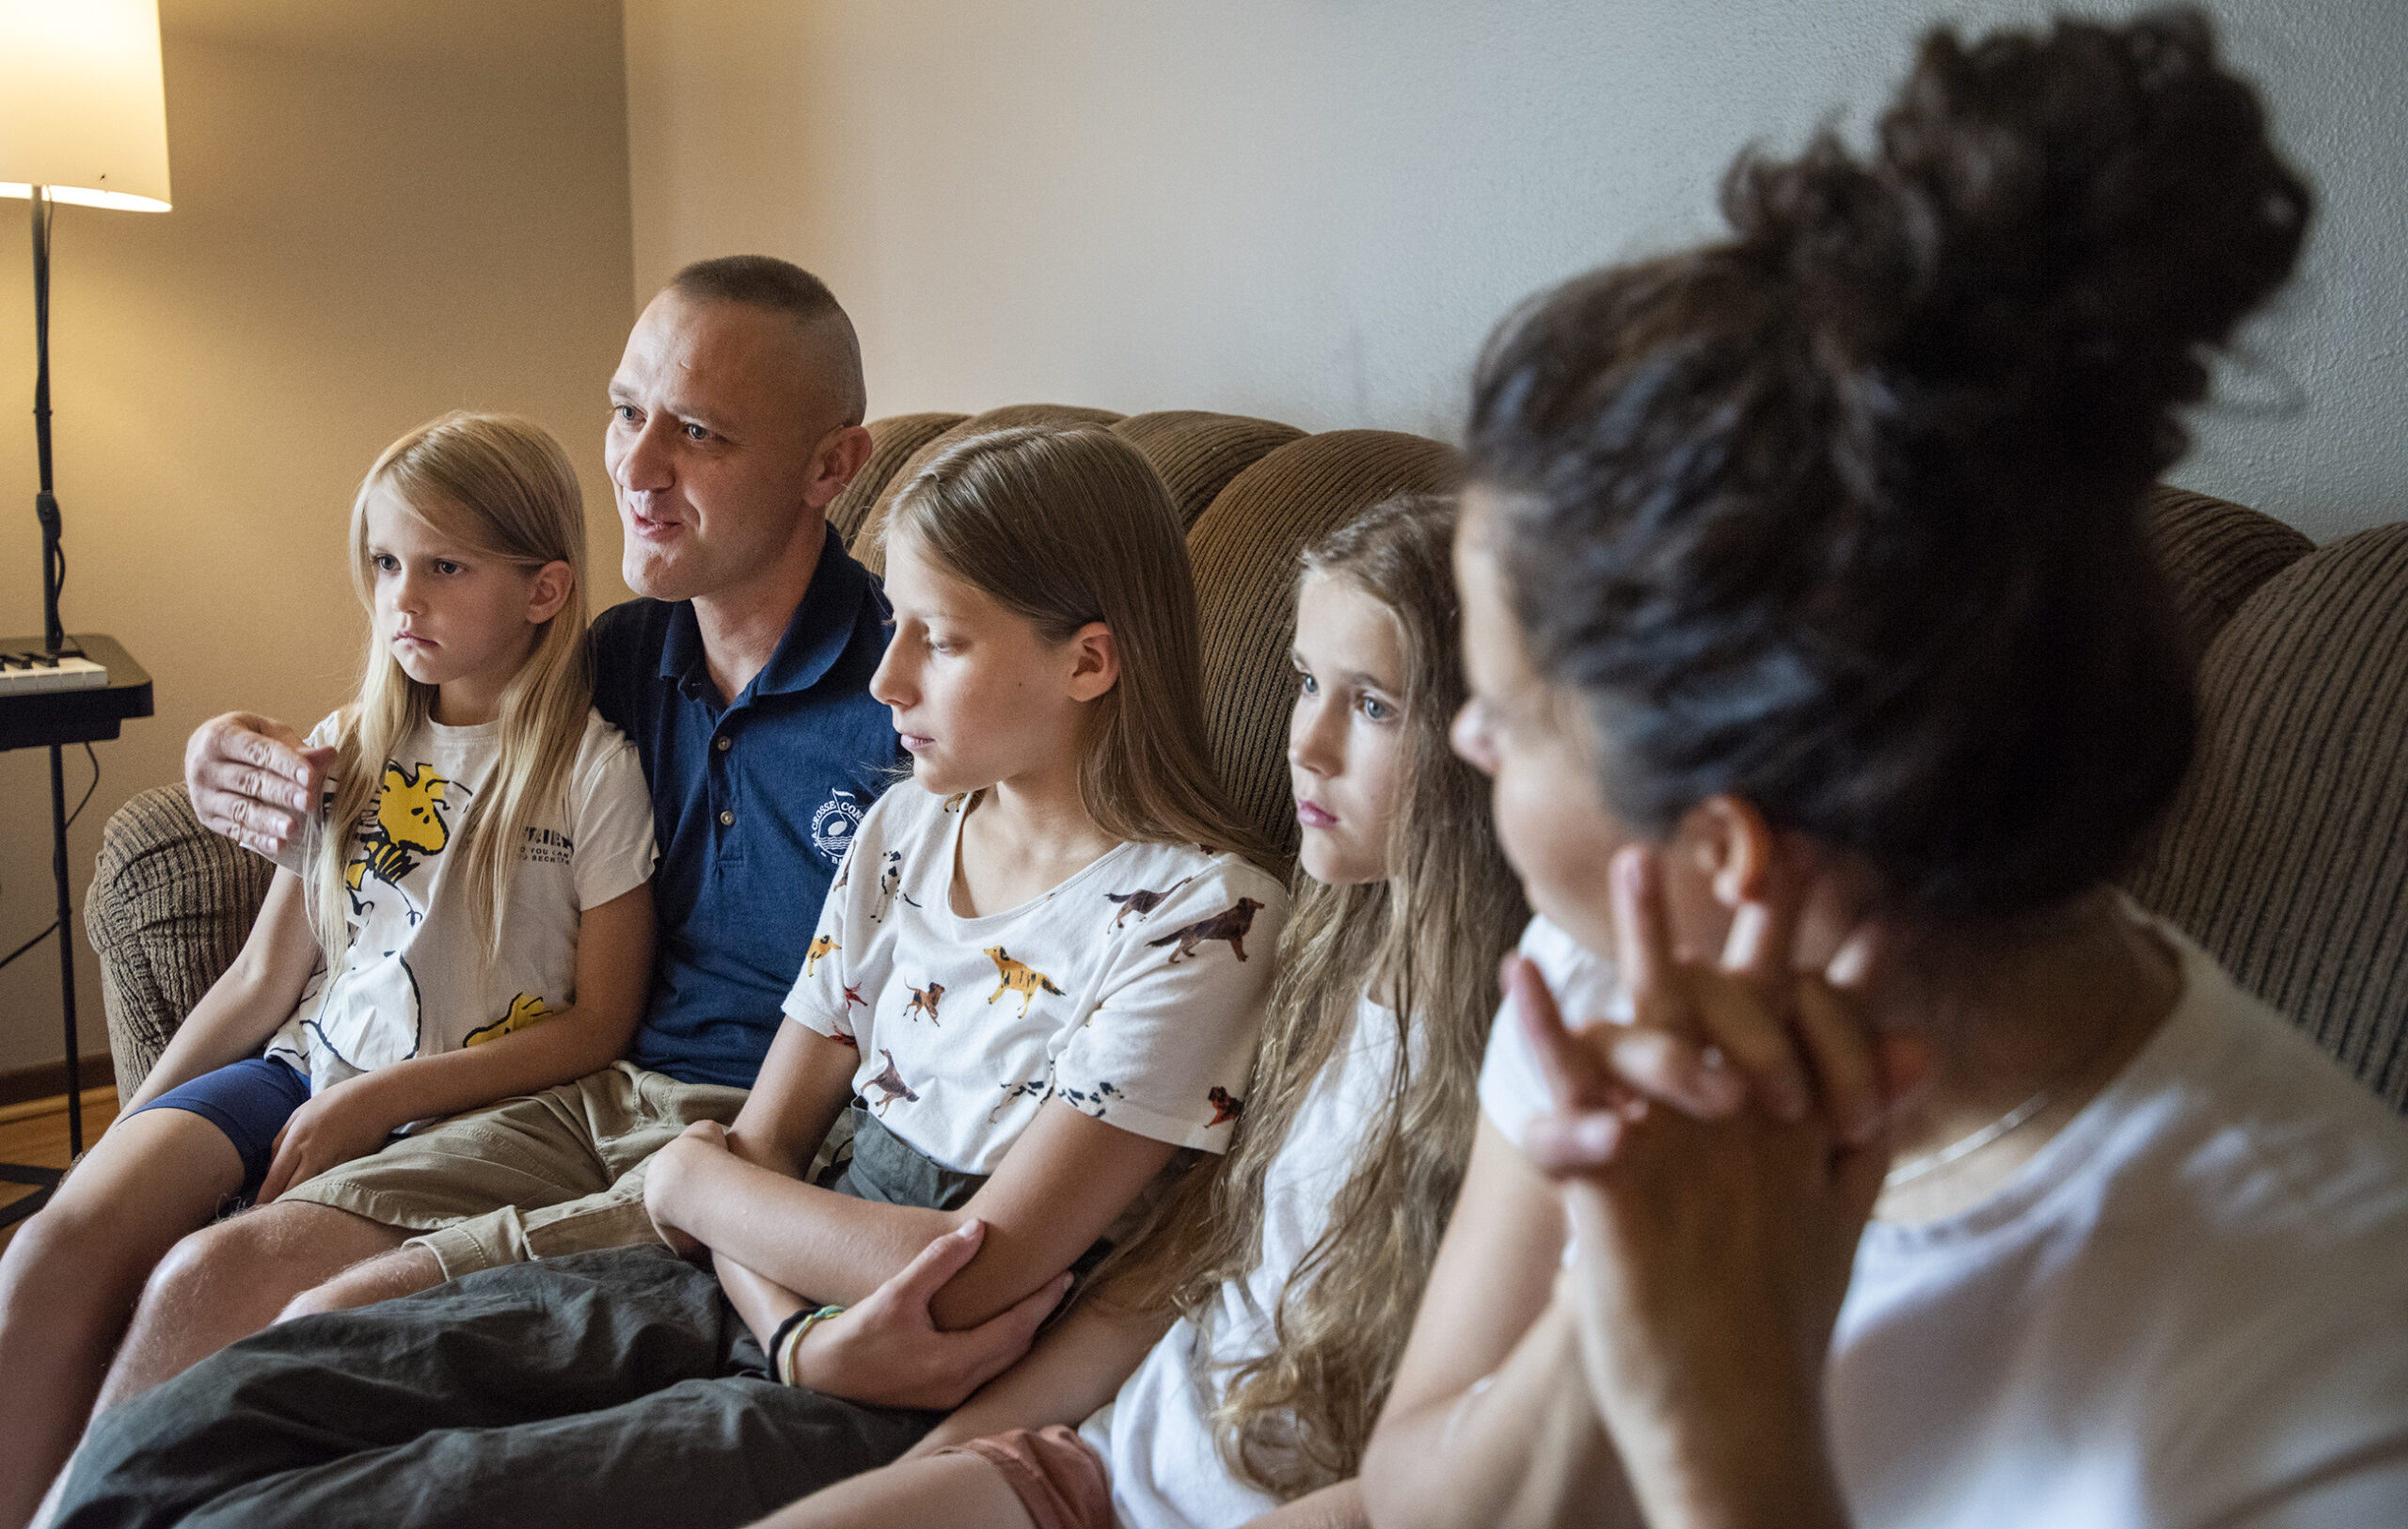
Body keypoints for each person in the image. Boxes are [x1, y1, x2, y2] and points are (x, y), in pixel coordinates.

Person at [1359, 11, 2408, 1527]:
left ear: (1728, 857)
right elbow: (1412, 1494)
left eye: (1508, 716)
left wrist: (1732, 1432)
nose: (1462, 738)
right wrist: (1630, 1282)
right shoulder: (1616, 973)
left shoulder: (2322, 1372)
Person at [52, 423, 1292, 1529]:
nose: (886, 679)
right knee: (192, 1427)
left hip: (886, 1381)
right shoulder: (909, 825)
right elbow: (753, 1145)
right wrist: (782, 1311)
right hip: (751, 1294)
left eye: (942, 639)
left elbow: (972, 1267)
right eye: (894, 623)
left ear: (1088, 661)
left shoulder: (1201, 916)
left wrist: (714, 1200)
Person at [90, 256, 896, 1403]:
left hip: (764, 1140)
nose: (636, 465)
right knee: (208, 1277)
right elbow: (406, 738)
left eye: (701, 433)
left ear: (831, 464)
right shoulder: (617, 660)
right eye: (627, 411)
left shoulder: (910, 696)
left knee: (318, 1327)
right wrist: (224, 755)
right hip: (581, 1100)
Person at [749, 494, 1525, 1529]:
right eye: (1303, 683)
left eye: (1374, 705)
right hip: (1097, 1463)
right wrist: (940, 1461)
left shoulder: (1518, 1048)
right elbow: (1170, 1269)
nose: (1309, 744)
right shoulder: (1322, 957)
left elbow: (1463, 1464)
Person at [0, 412, 658, 1529]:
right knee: (50, 1243)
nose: (403, 599)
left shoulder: (595, 773)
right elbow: (265, 977)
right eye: (388, 562)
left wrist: (385, 1098)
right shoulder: (347, 743)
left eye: (446, 566)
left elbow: (601, 1021)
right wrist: (131, 1122)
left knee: (204, 1287)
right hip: (301, 1066)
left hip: (465, 1109)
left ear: (544, 589)